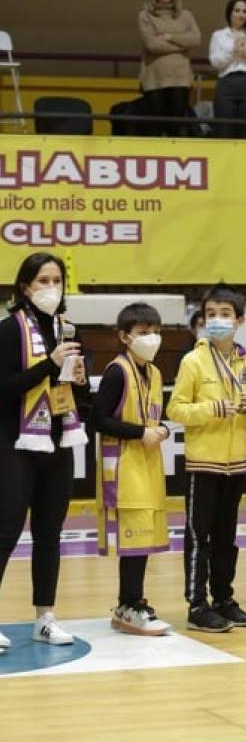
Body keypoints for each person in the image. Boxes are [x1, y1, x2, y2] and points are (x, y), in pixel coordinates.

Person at [0, 253, 88, 649]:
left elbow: (78, 398)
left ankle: (45, 617)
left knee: (50, 533)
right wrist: (48, 364)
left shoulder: (69, 330)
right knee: (6, 532)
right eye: (43, 280)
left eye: (57, 280)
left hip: (58, 442)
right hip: (13, 444)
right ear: (25, 287)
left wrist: (81, 382)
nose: (51, 287)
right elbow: (5, 390)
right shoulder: (7, 331)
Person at [167, 283, 246, 633]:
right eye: (211, 315)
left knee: (227, 538)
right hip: (202, 463)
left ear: (240, 320)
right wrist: (212, 408)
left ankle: (224, 598)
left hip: (237, 462)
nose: (217, 321)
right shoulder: (193, 360)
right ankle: (197, 604)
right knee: (199, 537)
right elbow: (175, 409)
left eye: (224, 315)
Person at [92, 303, 172, 636]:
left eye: (155, 331)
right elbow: (97, 419)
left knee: (144, 540)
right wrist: (140, 432)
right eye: (142, 332)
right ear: (124, 337)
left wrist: (163, 429)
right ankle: (129, 605)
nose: (151, 338)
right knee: (134, 541)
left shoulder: (153, 372)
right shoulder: (117, 371)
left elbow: (154, 417)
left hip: (148, 465)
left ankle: (132, 602)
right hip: (124, 468)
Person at [138, 0, 201, 137]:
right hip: (154, 79)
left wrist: (169, 36)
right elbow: (151, 45)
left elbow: (196, 39)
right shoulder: (145, 16)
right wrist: (181, 46)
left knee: (176, 127)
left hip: (180, 78)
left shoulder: (186, 16)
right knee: (156, 128)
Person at [209, 0, 246, 139]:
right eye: (237, 11)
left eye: (245, 11)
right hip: (226, 83)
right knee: (224, 131)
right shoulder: (219, 36)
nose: (241, 15)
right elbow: (214, 61)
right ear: (229, 13)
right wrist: (232, 52)